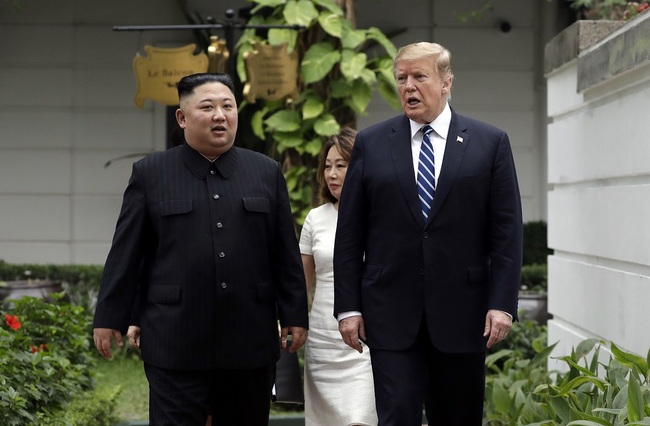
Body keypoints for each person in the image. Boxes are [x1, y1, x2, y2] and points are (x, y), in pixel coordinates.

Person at [93, 72, 309, 426]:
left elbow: (283, 251)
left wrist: (295, 314)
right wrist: (109, 317)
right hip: (174, 338)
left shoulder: (266, 172)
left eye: (228, 106)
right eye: (207, 107)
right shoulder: (151, 173)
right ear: (182, 117)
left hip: (249, 338)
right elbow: (127, 252)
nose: (220, 115)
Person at [333, 42, 523, 426]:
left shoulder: (490, 143)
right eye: (401, 78)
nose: (408, 87)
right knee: (398, 413)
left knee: (457, 416)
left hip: (464, 314)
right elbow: (351, 232)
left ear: (446, 82)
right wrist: (348, 307)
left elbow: (506, 232)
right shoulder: (372, 142)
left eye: (419, 76)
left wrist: (502, 303)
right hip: (389, 313)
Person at [299, 129, 378, 426]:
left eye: (341, 165)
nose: (331, 174)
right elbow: (302, 284)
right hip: (322, 340)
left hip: (366, 340)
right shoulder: (315, 218)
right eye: (327, 165)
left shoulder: (381, 215)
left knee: (359, 418)